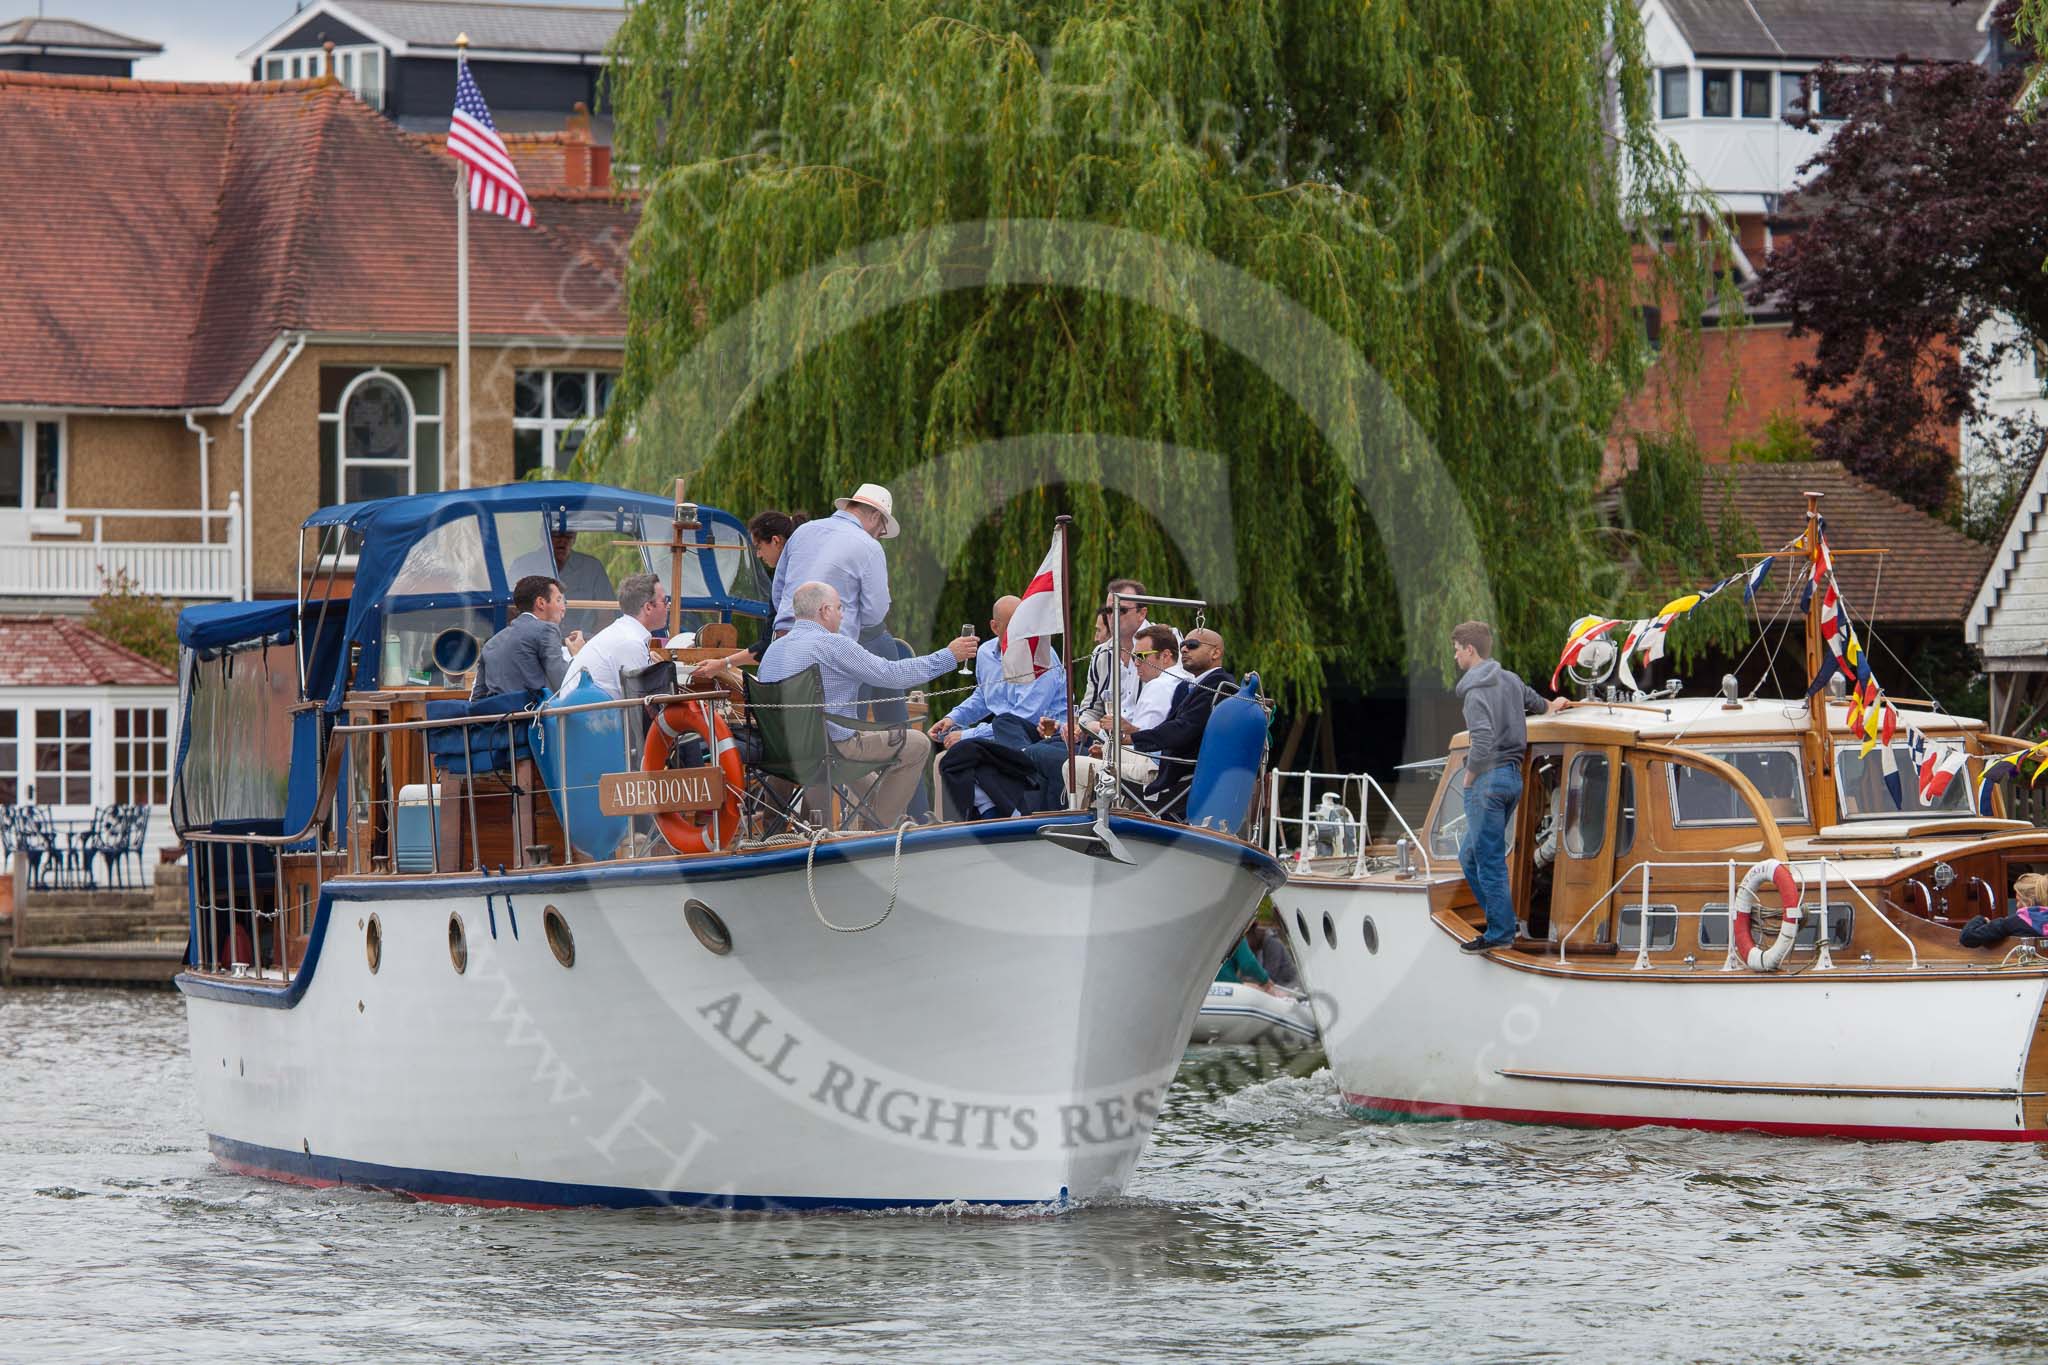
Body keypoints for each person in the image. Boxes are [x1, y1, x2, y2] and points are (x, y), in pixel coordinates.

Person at [757, 581, 976, 829]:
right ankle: (877, 829)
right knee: (917, 744)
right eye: (839, 608)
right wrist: (948, 656)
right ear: (825, 610)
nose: (842, 614)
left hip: (781, 753)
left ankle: (873, 816)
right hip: (828, 752)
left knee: (851, 741)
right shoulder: (834, 645)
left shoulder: (773, 652)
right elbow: (893, 675)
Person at [1451, 619, 1568, 952]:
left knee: (1486, 860)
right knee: (1471, 855)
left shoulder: (1474, 693)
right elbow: (1539, 703)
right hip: (1513, 779)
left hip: (1487, 782)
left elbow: (1484, 739)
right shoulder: (1511, 680)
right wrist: (1553, 705)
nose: (1456, 658)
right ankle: (1501, 920)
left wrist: (1470, 776)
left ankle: (1500, 933)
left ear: (1470, 649)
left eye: (1457, 651)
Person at [931, 595, 1067, 817]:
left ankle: (1010, 810)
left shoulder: (1041, 656)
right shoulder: (986, 653)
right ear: (995, 627)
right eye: (1015, 623)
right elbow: (984, 696)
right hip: (1007, 734)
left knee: (997, 729)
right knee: (946, 761)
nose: (1022, 629)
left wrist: (969, 735)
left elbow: (1027, 716)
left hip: (1043, 734)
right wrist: (954, 719)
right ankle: (966, 822)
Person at [1120, 627, 1236, 814]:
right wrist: (1135, 736)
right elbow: (1176, 727)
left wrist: (1134, 738)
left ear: (1216, 652)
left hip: (1178, 776)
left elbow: (1184, 729)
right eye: (1182, 645)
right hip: (1170, 765)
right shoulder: (1191, 686)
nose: (1184, 650)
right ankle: (1117, 818)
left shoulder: (1218, 686)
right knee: (1105, 750)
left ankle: (1090, 823)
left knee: (1077, 765)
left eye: (1192, 645)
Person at [770, 484, 896, 643]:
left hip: (783, 639)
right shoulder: (870, 547)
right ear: (875, 516)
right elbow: (874, 613)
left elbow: (778, 592)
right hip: (830, 644)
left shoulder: (803, 531)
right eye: (882, 530)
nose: (878, 536)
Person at [472, 575, 586, 699]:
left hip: (496, 716)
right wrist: (578, 655)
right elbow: (563, 684)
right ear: (541, 603)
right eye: (558, 600)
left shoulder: (491, 643)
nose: (563, 608)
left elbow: (477, 697)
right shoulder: (547, 629)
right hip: (533, 716)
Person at [560, 572, 670, 699]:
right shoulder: (630, 642)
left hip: (580, 712)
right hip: (586, 716)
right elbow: (640, 705)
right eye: (665, 601)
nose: (669, 606)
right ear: (648, 607)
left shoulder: (623, 632)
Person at [510, 523, 614, 636]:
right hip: (532, 644)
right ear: (544, 536)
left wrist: (590, 646)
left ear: (575, 537)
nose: (563, 540)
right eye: (556, 535)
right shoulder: (522, 565)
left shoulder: (592, 567)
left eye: (568, 535)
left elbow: (607, 615)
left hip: (582, 646)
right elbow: (510, 611)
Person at [1126, 623, 1189, 730]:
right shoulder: (1189, 679)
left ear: (1165, 656)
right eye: (1134, 657)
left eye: (1141, 656)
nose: (1136, 663)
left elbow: (1141, 740)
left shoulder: (1158, 686)